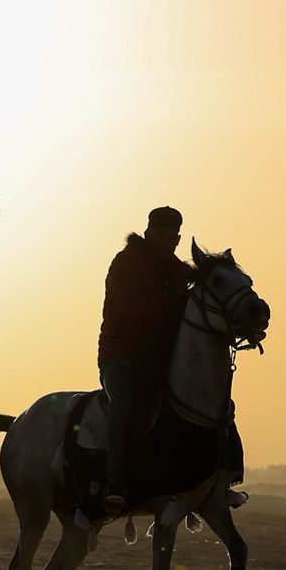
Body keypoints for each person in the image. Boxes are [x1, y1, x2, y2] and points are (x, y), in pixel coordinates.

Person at [97, 206, 191, 514]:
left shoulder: (178, 270)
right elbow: (131, 309)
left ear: (177, 240)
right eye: (160, 235)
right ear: (149, 233)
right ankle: (114, 481)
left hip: (161, 360)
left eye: (171, 237)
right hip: (121, 356)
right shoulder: (126, 263)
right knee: (124, 403)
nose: (166, 242)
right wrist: (174, 309)